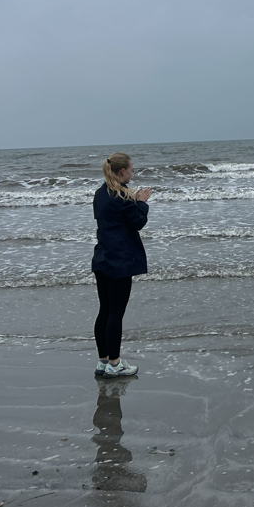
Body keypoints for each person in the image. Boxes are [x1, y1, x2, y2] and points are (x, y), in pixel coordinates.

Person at [92, 152, 152, 378]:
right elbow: (137, 222)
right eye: (131, 170)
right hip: (120, 261)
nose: (132, 173)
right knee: (116, 313)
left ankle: (103, 360)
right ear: (122, 172)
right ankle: (115, 364)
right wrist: (142, 203)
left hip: (102, 258)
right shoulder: (122, 196)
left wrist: (134, 201)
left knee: (105, 311)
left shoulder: (100, 194)